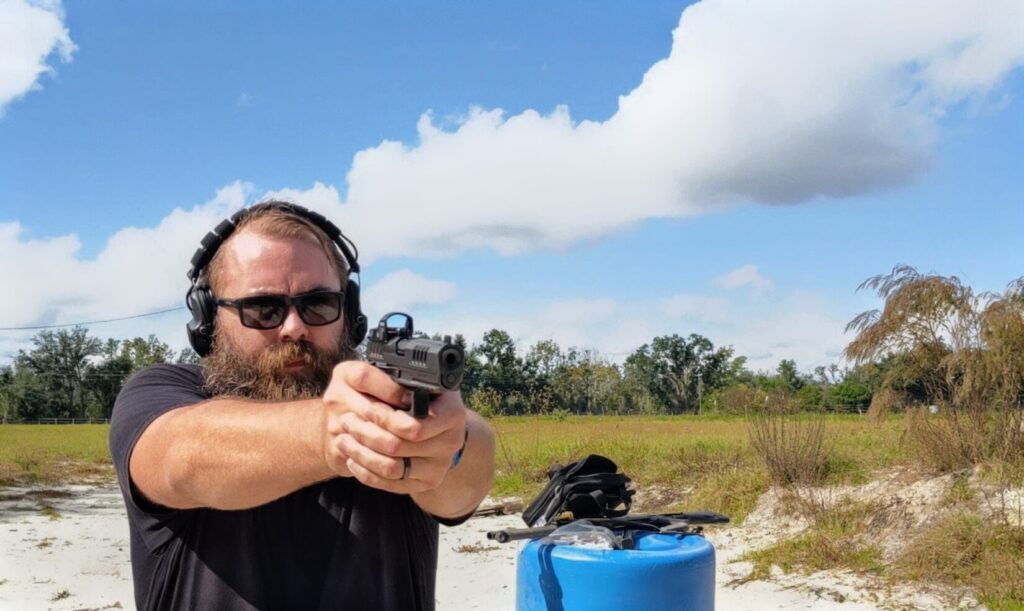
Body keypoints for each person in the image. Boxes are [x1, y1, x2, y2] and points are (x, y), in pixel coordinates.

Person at [109, 201, 495, 611]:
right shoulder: (164, 391)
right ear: (208, 320)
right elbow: (179, 459)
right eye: (262, 309)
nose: (295, 327)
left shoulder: (390, 404)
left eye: (318, 304)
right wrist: (337, 432)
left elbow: (466, 483)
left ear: (349, 312)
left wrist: (449, 441)